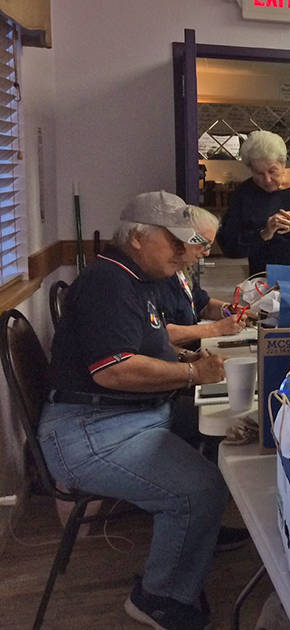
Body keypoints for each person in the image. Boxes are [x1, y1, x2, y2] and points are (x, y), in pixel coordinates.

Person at [38, 191, 231, 630]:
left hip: (124, 415)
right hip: (89, 430)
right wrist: (191, 375)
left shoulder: (134, 279)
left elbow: (151, 344)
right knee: (198, 491)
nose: (185, 252)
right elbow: (114, 371)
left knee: (224, 426)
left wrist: (185, 365)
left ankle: (198, 535)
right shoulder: (108, 283)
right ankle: (157, 597)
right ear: (139, 237)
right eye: (175, 242)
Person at [218, 130, 290, 275]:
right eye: (259, 174)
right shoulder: (244, 194)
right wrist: (263, 234)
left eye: (272, 171)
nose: (267, 180)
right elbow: (229, 246)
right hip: (266, 278)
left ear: (283, 163)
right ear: (250, 169)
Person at [158, 206, 246, 348]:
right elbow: (161, 334)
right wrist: (217, 328)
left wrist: (227, 310)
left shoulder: (183, 271)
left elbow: (203, 305)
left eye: (209, 246)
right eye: (203, 244)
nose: (207, 253)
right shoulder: (160, 276)